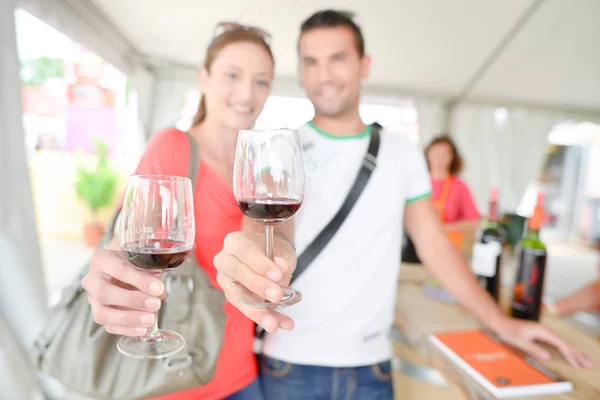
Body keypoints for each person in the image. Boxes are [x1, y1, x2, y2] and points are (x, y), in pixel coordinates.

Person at [212, 10, 594, 400]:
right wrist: (257, 256)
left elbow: (436, 248)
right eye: (311, 61)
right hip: (288, 363)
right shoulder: (283, 147)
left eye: (337, 58)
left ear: (365, 65)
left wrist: (502, 323)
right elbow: (268, 226)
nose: (323, 74)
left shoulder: (402, 153)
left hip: (372, 367)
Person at [80, 24, 290, 400]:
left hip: (240, 372)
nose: (247, 93)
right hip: (171, 375)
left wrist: (277, 262)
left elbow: (264, 240)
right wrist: (109, 273)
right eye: (232, 75)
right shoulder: (174, 146)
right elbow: (125, 242)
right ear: (204, 77)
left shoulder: (259, 173)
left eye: (261, 81)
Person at [403, 134, 480, 263]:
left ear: (453, 157)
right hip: (415, 250)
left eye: (445, 154)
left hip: (447, 251)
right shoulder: (416, 182)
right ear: (427, 154)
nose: (440, 158)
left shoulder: (459, 186)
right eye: (436, 153)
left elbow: (474, 222)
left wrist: (444, 228)